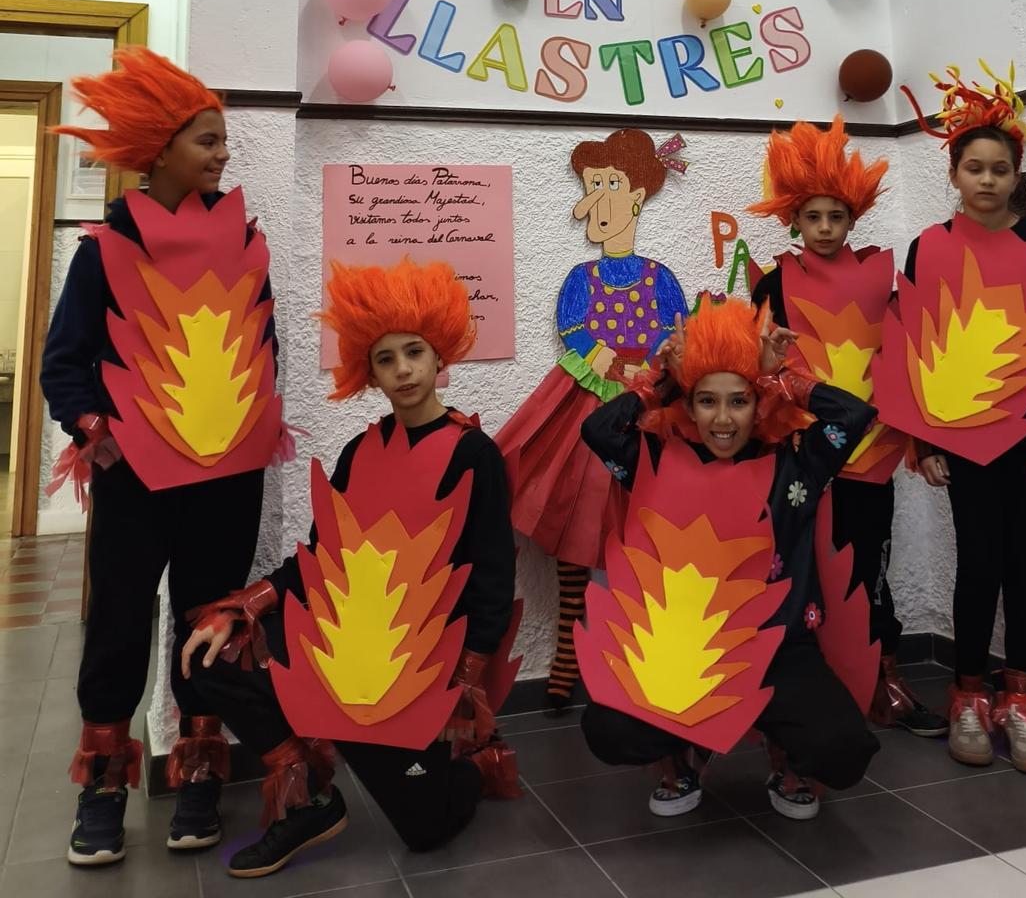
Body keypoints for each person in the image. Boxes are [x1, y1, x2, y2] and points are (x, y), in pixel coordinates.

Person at [181, 258, 519, 879]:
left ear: (439, 354)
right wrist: (245, 608)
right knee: (217, 655)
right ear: (370, 369)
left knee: (426, 831)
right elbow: (318, 562)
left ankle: (476, 764)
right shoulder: (359, 451)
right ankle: (309, 790)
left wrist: (465, 690)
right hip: (352, 647)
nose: (403, 370)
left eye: (414, 352)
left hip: (424, 670)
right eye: (386, 359)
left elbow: (495, 578)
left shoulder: (475, 454)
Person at [40, 46, 285, 868]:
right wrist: (95, 431)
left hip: (226, 476)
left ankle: (203, 774)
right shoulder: (103, 252)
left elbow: (263, 351)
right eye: (207, 141)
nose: (222, 155)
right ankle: (104, 785)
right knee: (118, 618)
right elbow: (64, 366)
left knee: (210, 621)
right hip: (140, 480)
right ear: (159, 150)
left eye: (223, 142)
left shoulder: (244, 243)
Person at [577, 295, 880, 821]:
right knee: (607, 730)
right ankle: (681, 755)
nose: (722, 418)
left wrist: (780, 376)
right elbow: (598, 431)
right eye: (706, 401)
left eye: (737, 401)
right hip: (683, 649)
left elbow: (854, 416)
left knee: (845, 752)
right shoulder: (655, 463)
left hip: (778, 650)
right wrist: (665, 377)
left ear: (757, 403)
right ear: (689, 407)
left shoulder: (796, 467)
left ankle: (785, 757)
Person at [894, 62, 1026, 774]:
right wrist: (923, 439)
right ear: (954, 173)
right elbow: (914, 347)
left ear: (1016, 174)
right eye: (973, 168)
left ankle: (1023, 698)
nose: (986, 180)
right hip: (967, 438)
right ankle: (968, 693)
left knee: (1025, 565)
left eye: (999, 169)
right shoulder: (931, 248)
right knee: (977, 564)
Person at [747, 117, 947, 740]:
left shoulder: (878, 281)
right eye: (814, 217)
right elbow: (763, 363)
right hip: (806, 455)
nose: (826, 228)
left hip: (872, 456)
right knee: (799, 567)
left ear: (853, 220)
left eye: (836, 216)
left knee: (869, 565)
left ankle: (883, 673)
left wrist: (919, 441)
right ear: (795, 221)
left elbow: (907, 361)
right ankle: (811, 678)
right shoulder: (777, 282)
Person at [495, 129, 687, 708]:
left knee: (648, 525)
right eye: (590, 186)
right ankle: (568, 647)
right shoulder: (583, 278)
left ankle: (633, 646)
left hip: (649, 406)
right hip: (584, 400)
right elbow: (573, 329)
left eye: (607, 185)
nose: (595, 198)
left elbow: (679, 333)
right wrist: (605, 360)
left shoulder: (660, 276)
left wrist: (650, 372)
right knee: (572, 516)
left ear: (635, 197)